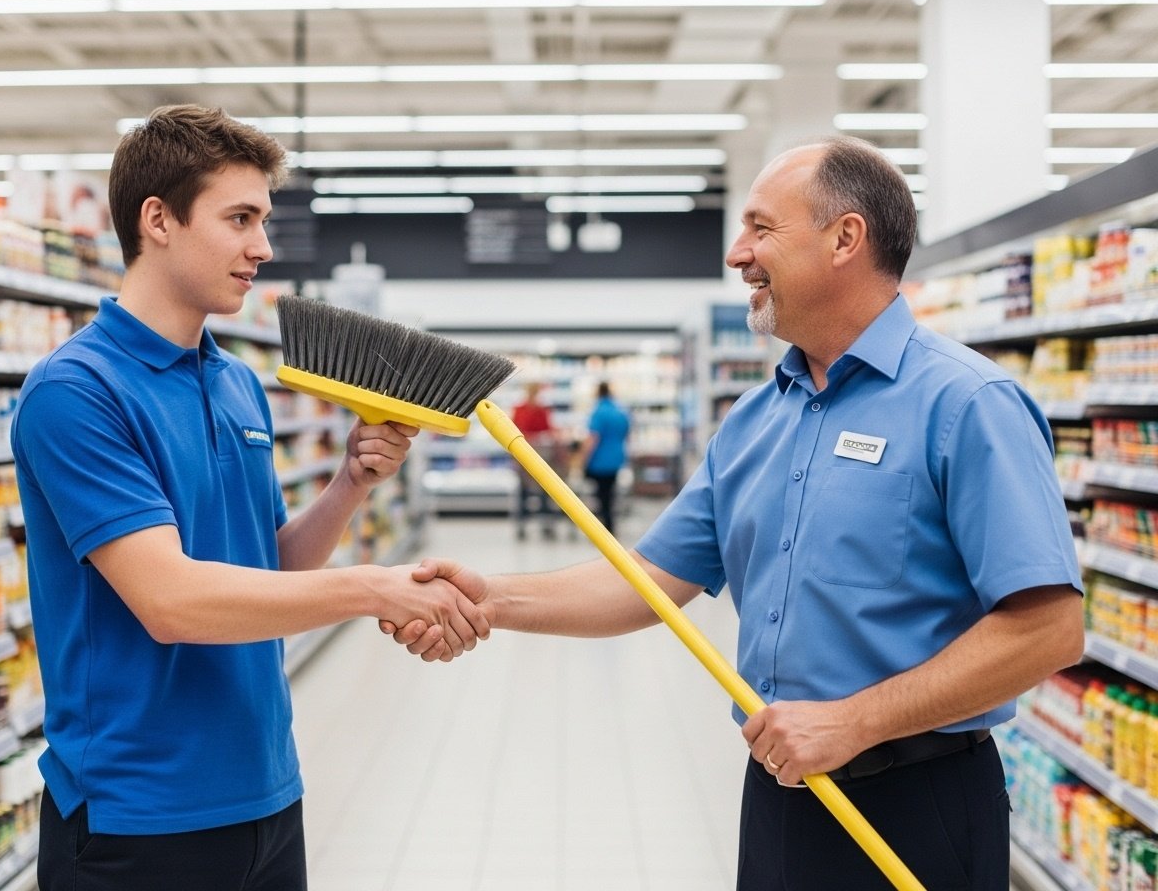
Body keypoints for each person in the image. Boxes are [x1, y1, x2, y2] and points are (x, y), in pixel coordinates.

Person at [387, 136, 1084, 890]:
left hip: (919, 800)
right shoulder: (756, 421)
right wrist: (491, 599)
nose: (736, 254)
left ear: (845, 238)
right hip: (781, 794)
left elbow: (1048, 628)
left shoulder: (966, 404)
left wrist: (854, 722)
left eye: (760, 227)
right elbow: (649, 579)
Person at [11, 104, 488, 891]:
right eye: (239, 219)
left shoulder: (237, 382)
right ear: (157, 220)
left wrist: (348, 487)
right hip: (140, 815)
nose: (262, 247)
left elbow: (271, 569)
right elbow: (171, 602)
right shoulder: (76, 392)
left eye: (262, 219)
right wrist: (376, 589)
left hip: (267, 791)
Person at [510, 381, 559, 539]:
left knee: (533, 492)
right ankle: (535, 525)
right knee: (534, 491)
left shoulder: (536, 410)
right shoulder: (526, 410)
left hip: (534, 456)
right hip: (532, 457)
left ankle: (533, 525)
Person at [582, 380, 630, 534]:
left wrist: (583, 457)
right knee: (610, 494)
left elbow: (593, 438)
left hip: (600, 460)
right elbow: (626, 434)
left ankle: (605, 528)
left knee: (601, 495)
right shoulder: (620, 412)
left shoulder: (599, 412)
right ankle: (610, 525)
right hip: (616, 458)